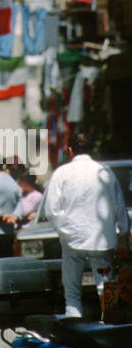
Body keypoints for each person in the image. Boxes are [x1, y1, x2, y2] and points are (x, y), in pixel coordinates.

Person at [43, 131, 130, 318]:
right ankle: (112, 329)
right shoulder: (105, 172)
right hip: (102, 245)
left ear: (70, 149)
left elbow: (51, 210)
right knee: (106, 289)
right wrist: (123, 236)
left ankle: (74, 331)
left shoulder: (61, 173)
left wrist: (66, 232)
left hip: (72, 245)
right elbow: (119, 207)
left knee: (72, 293)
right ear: (92, 150)